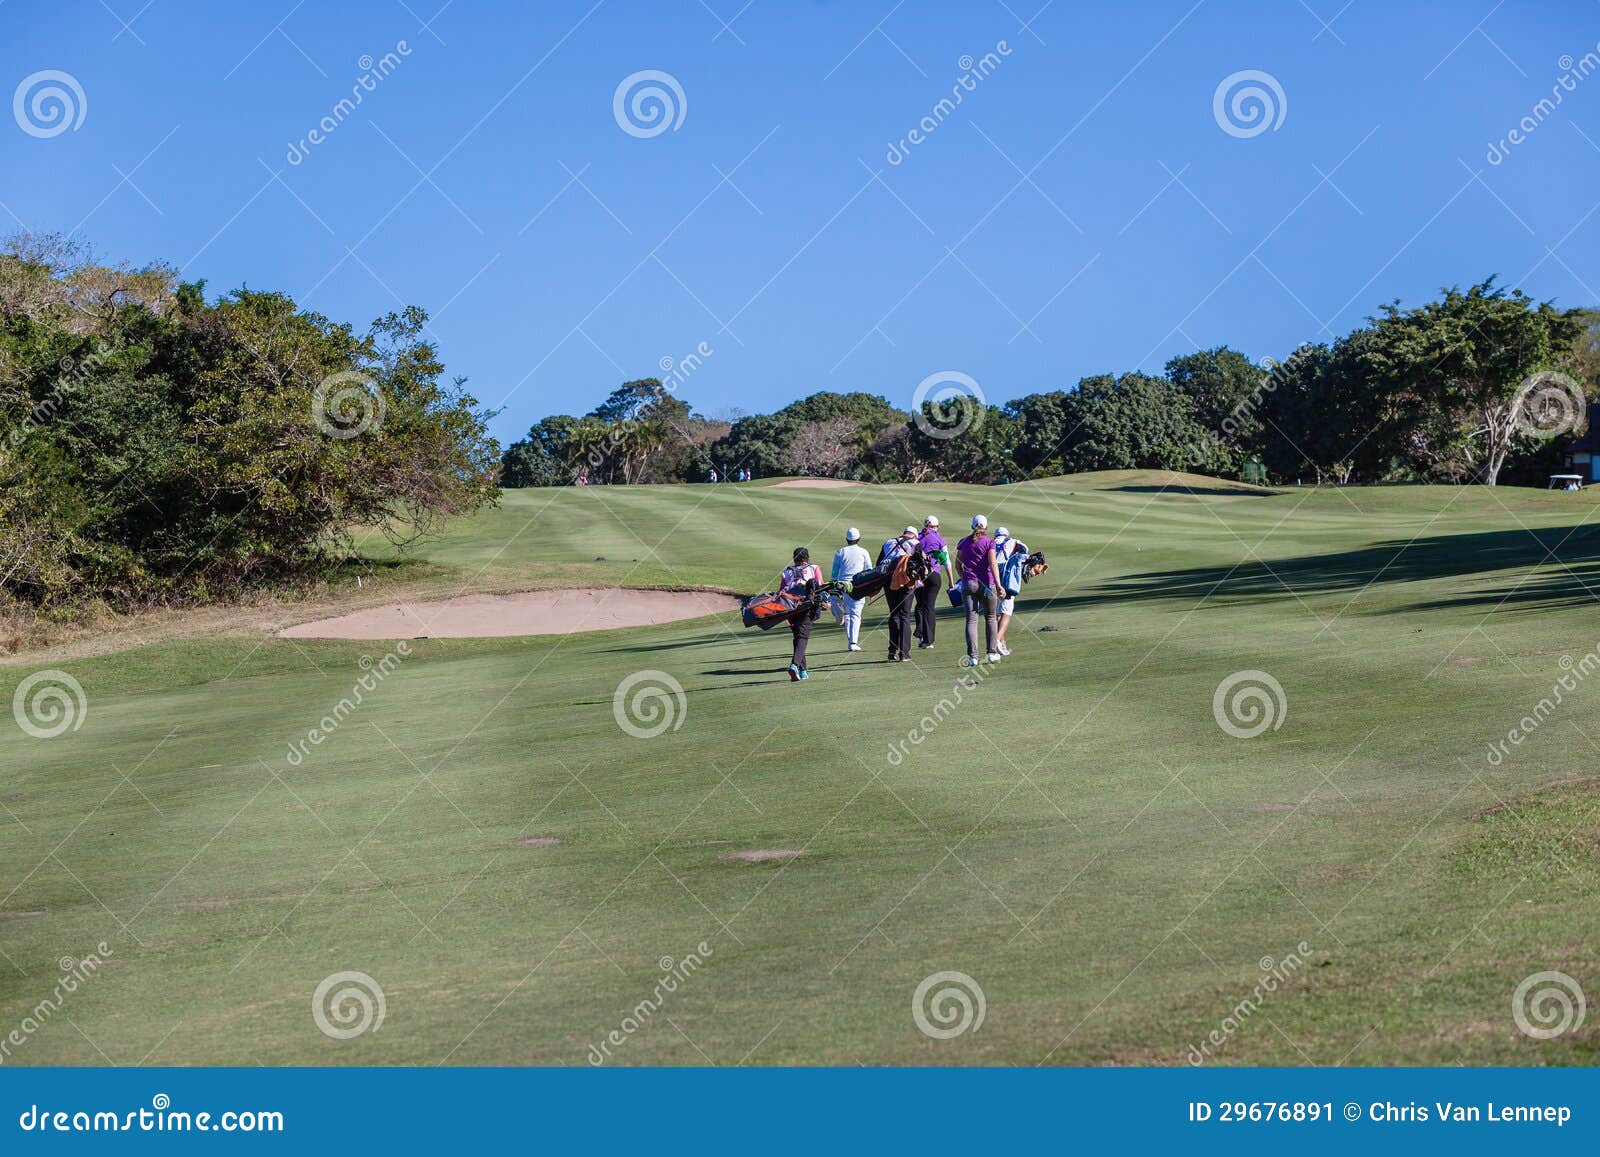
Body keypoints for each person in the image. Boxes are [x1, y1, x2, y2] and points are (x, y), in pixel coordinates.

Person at [956, 515, 1002, 666]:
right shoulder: (989, 542)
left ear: (972, 526)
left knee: (971, 620)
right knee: (991, 618)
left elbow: (958, 565)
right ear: (986, 527)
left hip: (969, 583)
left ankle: (973, 658)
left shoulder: (963, 542)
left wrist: (965, 579)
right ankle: (991, 653)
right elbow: (993, 563)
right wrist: (999, 584)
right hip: (987, 584)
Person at [779, 546, 824, 681]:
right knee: (802, 638)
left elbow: (781, 592)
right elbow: (821, 587)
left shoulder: (786, 572)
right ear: (808, 558)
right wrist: (825, 603)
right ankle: (794, 665)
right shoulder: (814, 568)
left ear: (794, 558)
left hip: (790, 608)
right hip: (807, 608)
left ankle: (803, 670)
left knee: (798, 637)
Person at [878, 525, 919, 662]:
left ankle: (892, 651)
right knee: (904, 616)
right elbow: (921, 565)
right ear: (914, 535)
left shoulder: (888, 542)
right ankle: (904, 653)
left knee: (894, 614)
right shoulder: (916, 543)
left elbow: (879, 564)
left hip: (889, 582)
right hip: (907, 583)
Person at [831, 527, 872, 652]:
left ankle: (851, 641)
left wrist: (834, 586)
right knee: (855, 615)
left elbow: (834, 573)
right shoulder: (864, 552)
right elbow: (869, 570)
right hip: (858, 586)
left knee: (848, 614)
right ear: (859, 539)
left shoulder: (840, 551)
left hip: (842, 586)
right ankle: (853, 643)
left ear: (846, 539)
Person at [913, 515, 951, 650]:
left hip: (918, 576)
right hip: (934, 575)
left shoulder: (917, 537)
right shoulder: (940, 538)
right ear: (937, 527)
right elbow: (946, 561)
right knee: (929, 607)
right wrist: (951, 581)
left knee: (920, 605)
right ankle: (928, 640)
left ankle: (921, 634)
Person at [992, 526, 1028, 657]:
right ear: (1007, 534)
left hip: (990, 581)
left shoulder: (990, 543)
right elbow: (1025, 550)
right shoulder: (1013, 541)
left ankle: (1002, 644)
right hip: (1006, 582)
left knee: (996, 614)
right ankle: (996, 641)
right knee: (1006, 613)